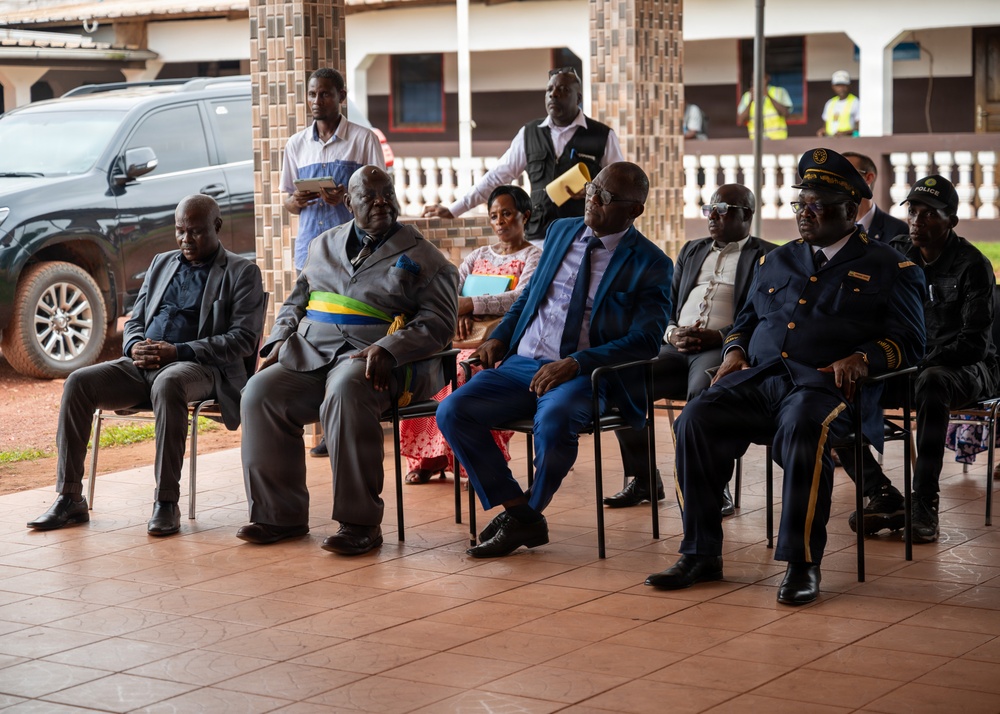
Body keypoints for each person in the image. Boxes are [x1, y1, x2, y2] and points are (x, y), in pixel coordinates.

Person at [644, 148, 925, 605]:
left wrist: (864, 358)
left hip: (825, 388)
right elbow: (747, 321)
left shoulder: (889, 267)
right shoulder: (776, 261)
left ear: (851, 209)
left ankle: (801, 563)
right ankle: (700, 552)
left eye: (817, 205)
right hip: (762, 380)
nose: (804, 214)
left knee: (803, 429)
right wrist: (734, 351)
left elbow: (911, 344)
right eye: (800, 204)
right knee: (694, 418)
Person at [437, 162, 673, 558]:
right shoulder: (561, 230)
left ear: (634, 211)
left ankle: (528, 512)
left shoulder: (651, 263)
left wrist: (577, 363)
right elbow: (531, 297)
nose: (592, 199)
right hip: (522, 363)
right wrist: (499, 337)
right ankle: (520, 513)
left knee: (555, 422)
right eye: (593, 188)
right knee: (453, 411)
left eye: (606, 197)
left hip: (583, 374)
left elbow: (647, 340)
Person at [237, 165, 458, 556]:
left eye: (385, 192)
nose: (379, 202)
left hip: (379, 361)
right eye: (368, 195)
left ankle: (359, 524)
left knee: (345, 389)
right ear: (347, 201)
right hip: (310, 353)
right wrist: (274, 343)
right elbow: (295, 303)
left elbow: (439, 325)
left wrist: (391, 348)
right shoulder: (322, 245)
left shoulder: (427, 257)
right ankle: (279, 515)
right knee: (259, 392)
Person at [26, 195, 265, 537]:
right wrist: (136, 345)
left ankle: (166, 502)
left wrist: (178, 351)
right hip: (142, 365)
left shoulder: (242, 272)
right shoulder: (161, 263)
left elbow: (242, 340)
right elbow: (135, 320)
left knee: (169, 382)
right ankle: (69, 498)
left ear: (217, 227)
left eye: (195, 232)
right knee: (78, 381)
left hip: (201, 368)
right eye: (180, 232)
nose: (186, 240)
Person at [837, 175, 997, 544]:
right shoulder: (895, 254)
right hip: (908, 366)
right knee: (836, 386)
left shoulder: (972, 265)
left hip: (967, 369)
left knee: (933, 380)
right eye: (913, 211)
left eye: (930, 214)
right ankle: (880, 492)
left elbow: (973, 344)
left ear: (951, 221)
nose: (917, 221)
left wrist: (919, 362)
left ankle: (924, 502)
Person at [603, 184, 776, 514]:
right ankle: (643, 479)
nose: (713, 215)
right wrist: (671, 333)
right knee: (619, 383)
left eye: (722, 209)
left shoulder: (766, 255)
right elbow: (665, 303)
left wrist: (723, 336)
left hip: (721, 349)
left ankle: (712, 486)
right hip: (675, 348)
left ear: (747, 215)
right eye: (709, 209)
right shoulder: (692, 250)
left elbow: (764, 314)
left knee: (705, 398)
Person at [400, 185, 542, 484]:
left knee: (466, 372)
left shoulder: (534, 257)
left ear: (524, 216)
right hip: (463, 337)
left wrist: (471, 304)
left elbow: (521, 297)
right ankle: (429, 457)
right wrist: (460, 311)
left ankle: (471, 462)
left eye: (507, 214)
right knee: (431, 369)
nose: (500, 221)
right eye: (494, 216)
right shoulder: (477, 255)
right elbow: (450, 288)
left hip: (502, 343)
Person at [280, 68, 385, 458]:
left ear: (341, 96)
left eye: (324, 94)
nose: (316, 101)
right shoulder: (295, 145)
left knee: (350, 335)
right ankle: (323, 425)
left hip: (354, 254)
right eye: (311, 94)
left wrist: (345, 198)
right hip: (312, 254)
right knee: (315, 337)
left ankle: (352, 415)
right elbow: (286, 199)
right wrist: (298, 200)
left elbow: (379, 195)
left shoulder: (363, 140)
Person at [422, 68, 624, 246]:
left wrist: (593, 191)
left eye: (563, 90)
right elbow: (497, 177)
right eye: (549, 90)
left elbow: (620, 187)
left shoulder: (602, 136)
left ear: (578, 98)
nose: (554, 94)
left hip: (583, 236)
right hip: (539, 237)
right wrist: (454, 209)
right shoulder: (529, 134)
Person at [842, 151, 908, 243]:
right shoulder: (829, 227)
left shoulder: (898, 230)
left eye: (846, 173)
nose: (839, 181)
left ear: (868, 178)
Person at [736, 73, 792, 140]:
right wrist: (751, 100)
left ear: (767, 78)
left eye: (761, 78)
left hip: (778, 140)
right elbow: (741, 119)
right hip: (755, 142)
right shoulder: (747, 96)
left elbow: (786, 113)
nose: (757, 81)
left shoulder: (779, 92)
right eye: (754, 79)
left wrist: (768, 95)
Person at [817, 70, 859, 137]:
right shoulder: (830, 103)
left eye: (844, 85)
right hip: (830, 141)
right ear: (833, 87)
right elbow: (825, 126)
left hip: (849, 141)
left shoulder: (855, 102)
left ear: (849, 86)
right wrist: (822, 131)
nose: (841, 88)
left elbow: (860, 127)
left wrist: (845, 133)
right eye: (838, 85)